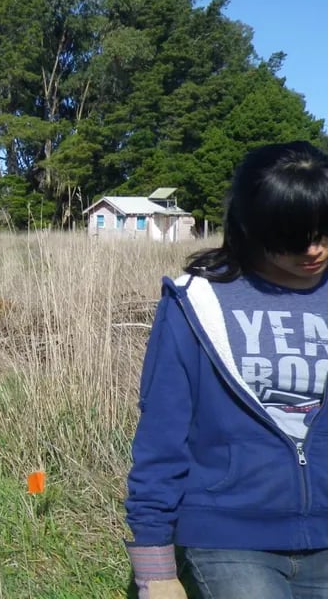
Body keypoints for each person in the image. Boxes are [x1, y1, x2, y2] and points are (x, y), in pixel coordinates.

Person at [125, 141, 328, 599]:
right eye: (293, 236)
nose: (314, 249)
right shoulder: (196, 303)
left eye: (325, 230)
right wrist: (155, 569)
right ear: (251, 226)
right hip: (228, 536)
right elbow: (161, 433)